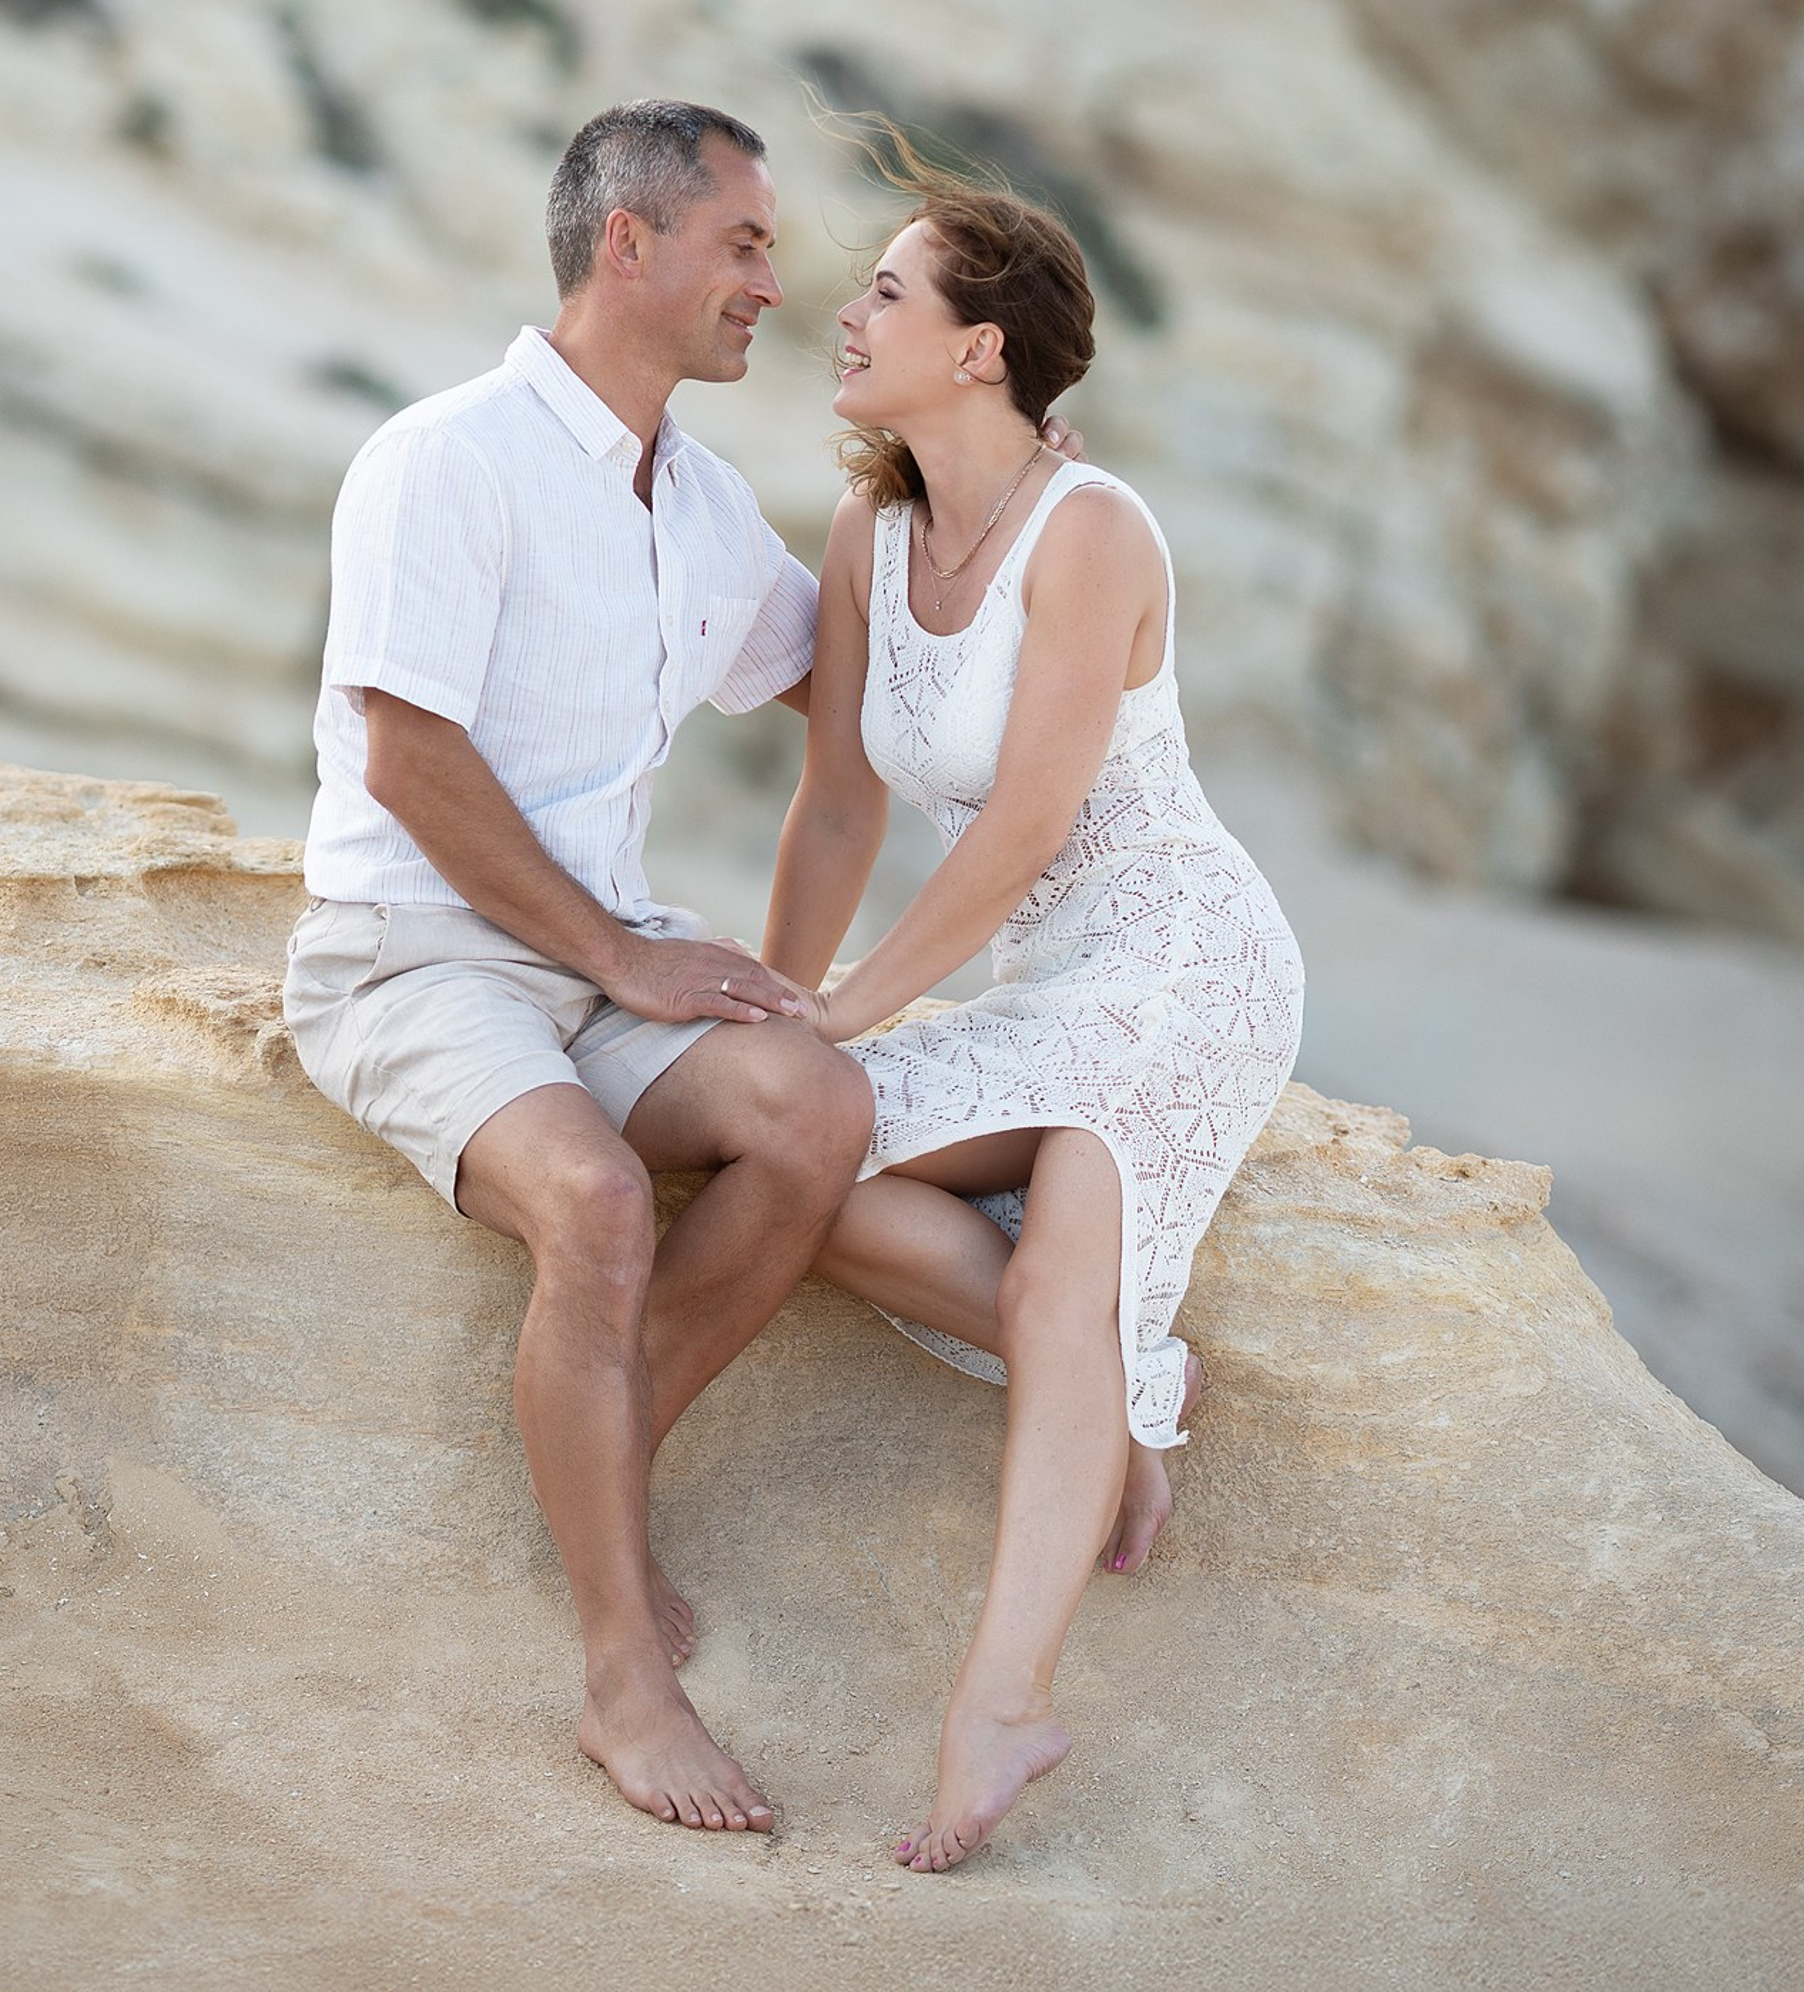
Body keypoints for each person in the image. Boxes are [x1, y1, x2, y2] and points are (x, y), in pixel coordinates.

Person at [283, 99, 1072, 1834]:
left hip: (590, 965)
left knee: (812, 1104)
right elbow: (409, 761)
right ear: (625, 242)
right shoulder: (446, 458)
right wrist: (617, 954)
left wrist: (1045, 586)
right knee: (598, 1206)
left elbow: (862, 703)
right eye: (745, 244)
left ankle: (605, 1454)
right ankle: (622, 1676)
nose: (773, 288)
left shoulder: (702, 507)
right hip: (413, 957)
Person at [763, 131, 1304, 1872]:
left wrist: (856, 1010)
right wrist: (787, 1016)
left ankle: (1004, 1697)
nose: (845, 312)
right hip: (1040, 977)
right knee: (810, 1175)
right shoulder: (869, 525)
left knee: (1074, 1239)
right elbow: (840, 798)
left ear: (980, 345)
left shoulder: (1096, 531)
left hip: (1185, 956)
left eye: (888, 290)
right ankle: (1121, 1391)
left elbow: (1031, 824)